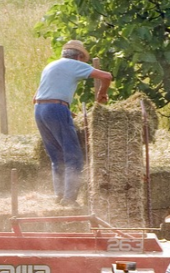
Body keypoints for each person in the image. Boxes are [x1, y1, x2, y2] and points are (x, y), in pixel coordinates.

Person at [33, 40, 112, 207]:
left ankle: (59, 194)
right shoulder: (74, 64)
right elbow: (107, 76)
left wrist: (64, 110)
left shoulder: (50, 66)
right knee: (74, 156)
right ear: (78, 57)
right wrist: (101, 94)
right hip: (55, 108)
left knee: (57, 156)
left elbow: (36, 97)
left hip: (39, 110)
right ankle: (69, 199)